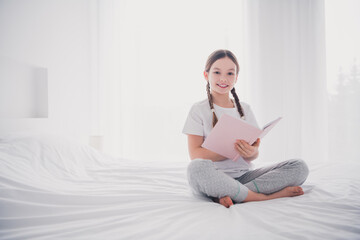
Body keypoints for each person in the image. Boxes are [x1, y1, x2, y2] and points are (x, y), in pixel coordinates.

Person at [182, 49, 309, 208]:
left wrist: (251, 152)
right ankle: (259, 197)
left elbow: (254, 152)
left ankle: (233, 194)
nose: (223, 78)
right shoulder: (198, 109)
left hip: (244, 177)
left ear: (236, 78)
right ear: (206, 75)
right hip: (213, 178)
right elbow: (195, 155)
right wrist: (228, 151)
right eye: (217, 72)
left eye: (230, 73)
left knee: (299, 166)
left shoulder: (245, 109)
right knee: (195, 168)